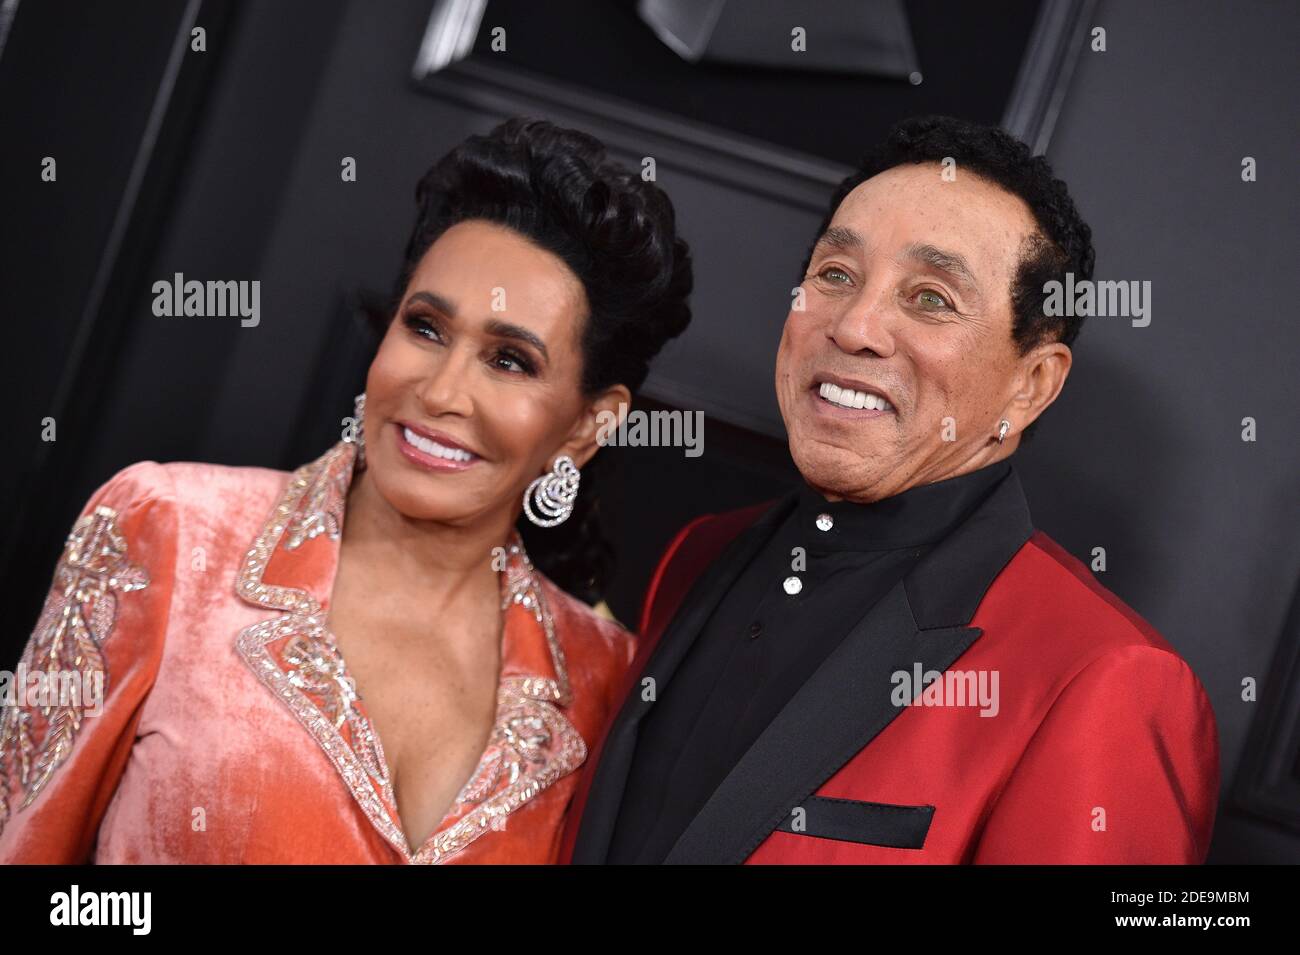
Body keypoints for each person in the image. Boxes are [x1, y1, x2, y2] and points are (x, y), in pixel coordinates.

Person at [0, 117, 693, 863]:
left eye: (510, 361)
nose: (441, 390)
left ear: (588, 425)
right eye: (426, 328)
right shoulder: (168, 529)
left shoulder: (606, 679)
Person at [564, 115, 1220, 864]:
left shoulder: (1108, 678)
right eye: (836, 275)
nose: (855, 326)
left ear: (1032, 385)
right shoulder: (699, 550)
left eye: (932, 297)